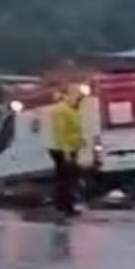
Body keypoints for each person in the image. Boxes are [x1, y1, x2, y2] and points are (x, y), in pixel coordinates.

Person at [49, 84, 86, 216]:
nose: (78, 99)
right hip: (62, 149)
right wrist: (66, 153)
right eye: (76, 96)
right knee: (65, 179)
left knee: (68, 179)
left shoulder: (71, 109)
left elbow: (73, 129)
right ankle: (64, 207)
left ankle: (65, 206)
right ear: (68, 95)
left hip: (70, 148)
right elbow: (61, 132)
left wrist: (80, 141)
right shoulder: (61, 110)